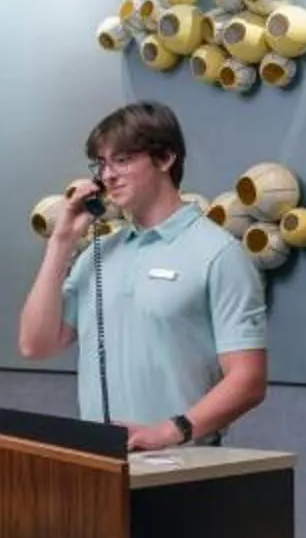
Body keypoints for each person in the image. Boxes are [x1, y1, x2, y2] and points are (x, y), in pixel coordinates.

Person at [15, 100, 267, 451]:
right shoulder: (98, 253)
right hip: (102, 463)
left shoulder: (220, 254)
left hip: (183, 468)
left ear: (165, 158)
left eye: (123, 159)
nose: (107, 175)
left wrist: (169, 431)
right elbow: (35, 345)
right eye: (101, 164)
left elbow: (249, 379)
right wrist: (61, 242)